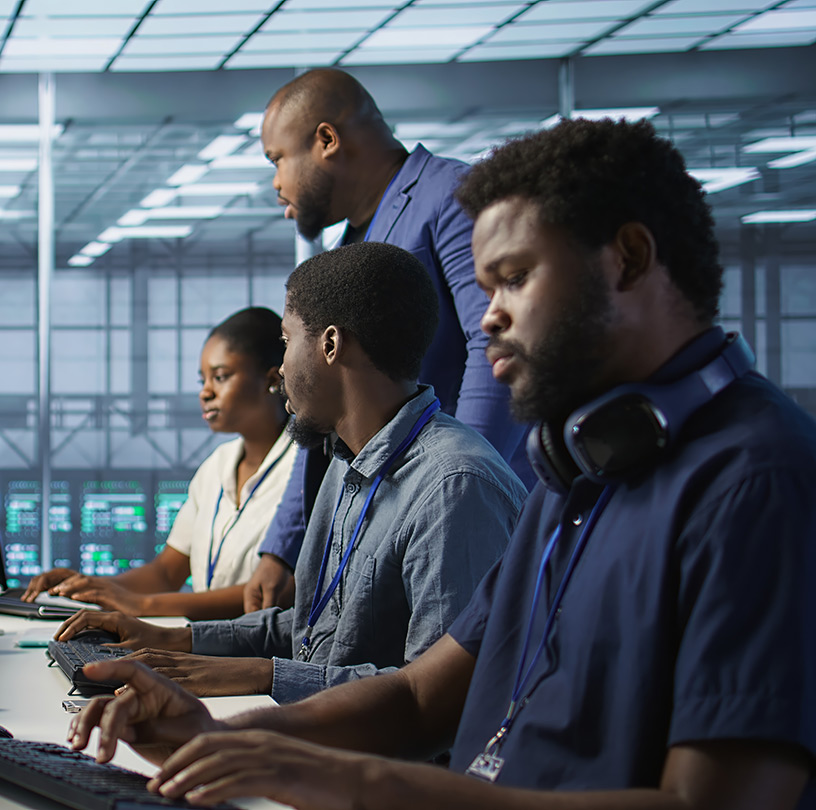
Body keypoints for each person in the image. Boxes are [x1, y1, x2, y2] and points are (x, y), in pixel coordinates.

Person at [67, 118, 816, 809]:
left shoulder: (753, 480)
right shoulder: (582, 470)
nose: (488, 316)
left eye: (515, 279)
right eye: (486, 287)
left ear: (628, 258)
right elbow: (425, 694)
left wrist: (342, 777)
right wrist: (228, 737)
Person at [55, 242, 524, 703]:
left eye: (285, 341)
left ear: (330, 344)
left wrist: (260, 677)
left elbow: (438, 702)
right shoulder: (346, 464)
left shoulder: (453, 487)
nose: (279, 368)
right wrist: (174, 641)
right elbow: (315, 630)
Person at [244, 67, 531, 614]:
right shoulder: (348, 246)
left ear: (326, 141)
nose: (276, 182)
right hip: (383, 510)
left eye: (277, 159)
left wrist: (452, 491)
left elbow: (493, 344)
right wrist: (282, 548)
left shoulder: (450, 196)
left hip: (448, 513)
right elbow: (325, 414)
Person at [21, 307, 296, 621]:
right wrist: (88, 587)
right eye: (202, 379)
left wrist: (143, 607)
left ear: (272, 380)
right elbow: (166, 573)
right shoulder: (216, 467)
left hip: (261, 654)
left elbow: (278, 590)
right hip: (209, 644)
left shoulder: (307, 466)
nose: (205, 392)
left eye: (220, 377)